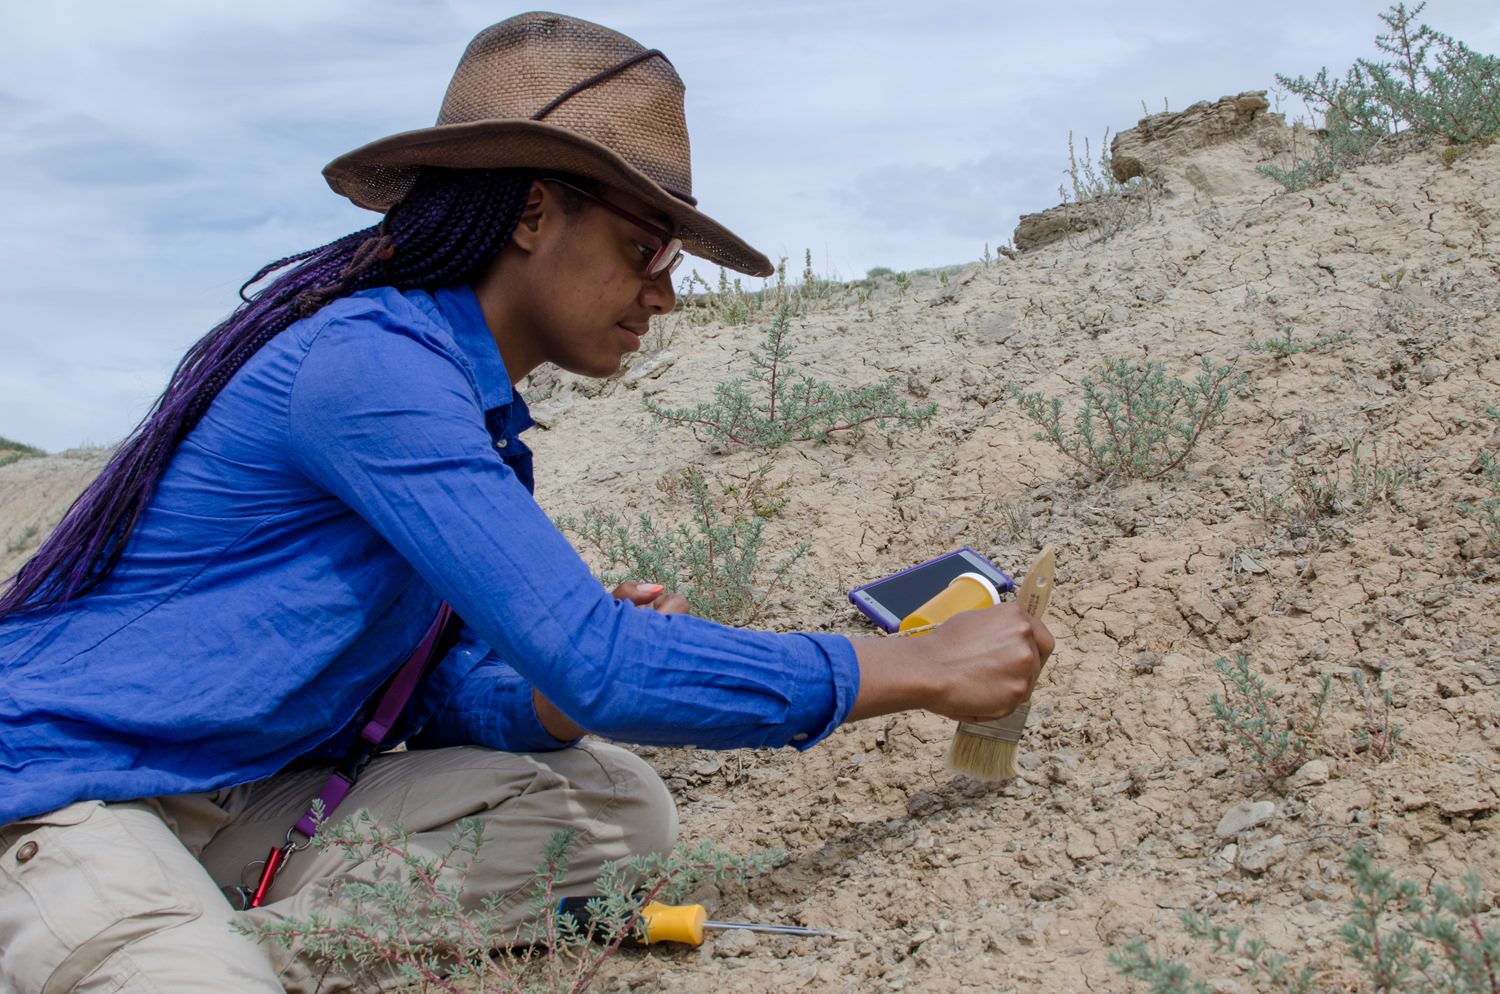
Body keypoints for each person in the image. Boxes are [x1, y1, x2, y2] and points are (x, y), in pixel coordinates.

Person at [0, 12, 1053, 994]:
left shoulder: (473, 414)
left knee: (614, 809)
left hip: (243, 795)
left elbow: (431, 699)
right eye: (646, 248)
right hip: (69, 793)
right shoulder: (369, 365)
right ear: (536, 212)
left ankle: (204, 940)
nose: (666, 291)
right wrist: (909, 665)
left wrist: (547, 700)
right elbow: (600, 658)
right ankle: (167, 947)